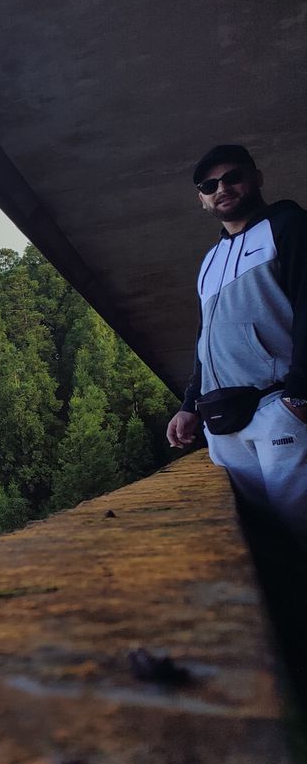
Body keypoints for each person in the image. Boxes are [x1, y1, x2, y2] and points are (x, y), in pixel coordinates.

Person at [166, 144, 307, 540]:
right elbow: (204, 341)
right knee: (262, 543)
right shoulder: (209, 262)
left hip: (277, 408)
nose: (221, 188)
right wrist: (189, 406)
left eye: (232, 177)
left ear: (256, 177)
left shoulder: (288, 225)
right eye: (209, 185)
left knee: (298, 532)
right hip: (223, 424)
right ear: (202, 199)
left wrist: (299, 396)